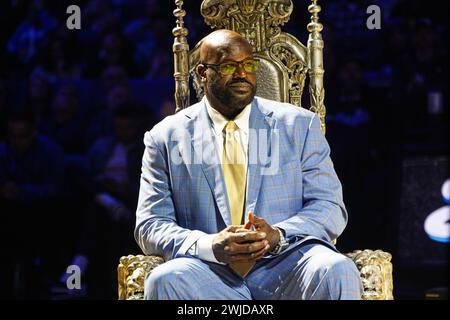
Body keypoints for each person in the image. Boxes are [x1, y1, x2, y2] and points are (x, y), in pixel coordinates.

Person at [135, 29, 363, 300]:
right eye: (229, 66)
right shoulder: (165, 137)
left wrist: (278, 235)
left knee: (336, 269)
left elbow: (330, 206)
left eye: (249, 65)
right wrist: (209, 245)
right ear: (202, 73)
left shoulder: (299, 125)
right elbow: (151, 224)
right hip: (207, 270)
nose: (242, 74)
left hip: (286, 264)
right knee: (165, 280)